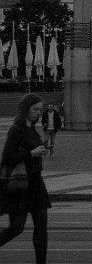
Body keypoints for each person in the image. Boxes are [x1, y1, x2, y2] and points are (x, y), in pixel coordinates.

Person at [0, 93, 52, 263]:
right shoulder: (17, 129)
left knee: (41, 225)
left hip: (36, 182)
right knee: (16, 228)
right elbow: (7, 157)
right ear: (25, 109)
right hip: (21, 184)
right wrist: (32, 153)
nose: (38, 112)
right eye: (35, 109)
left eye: (40, 109)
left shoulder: (32, 129)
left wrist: (40, 151)